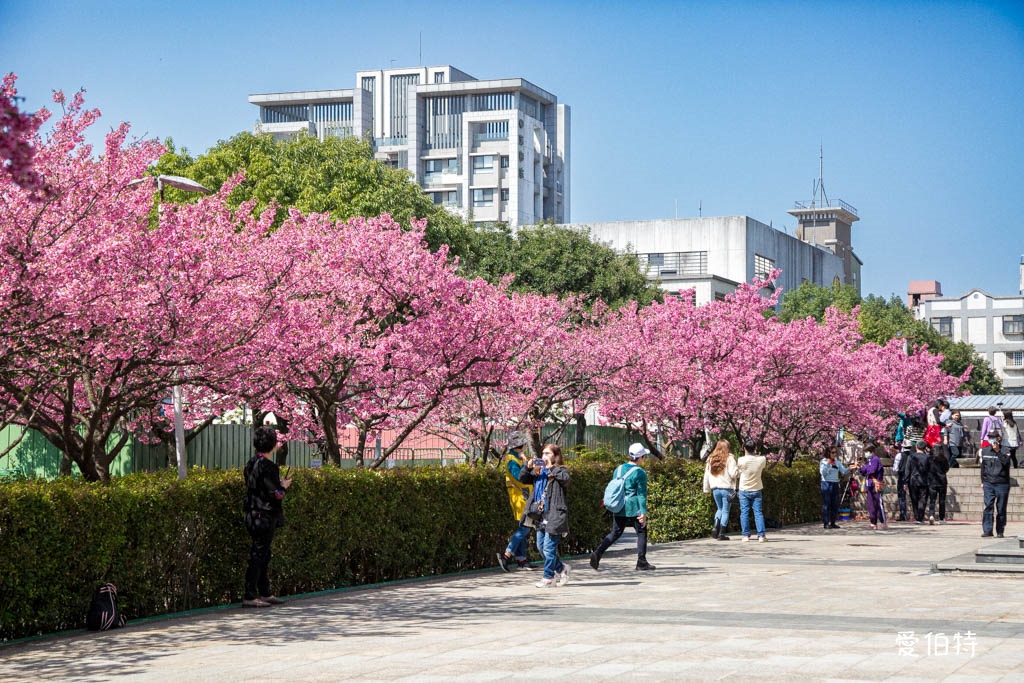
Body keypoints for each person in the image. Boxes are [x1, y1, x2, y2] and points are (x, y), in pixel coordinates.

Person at [242, 426, 292, 608]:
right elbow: (276, 494)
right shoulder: (269, 466)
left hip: (252, 514)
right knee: (259, 554)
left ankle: (265, 591)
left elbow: (258, 487)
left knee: (263, 553)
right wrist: (284, 485)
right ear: (273, 445)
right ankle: (249, 594)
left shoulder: (250, 463)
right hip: (265, 515)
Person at [590, 443, 656, 570]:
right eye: (644, 456)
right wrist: (643, 512)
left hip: (619, 505)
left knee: (615, 533)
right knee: (642, 532)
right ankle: (641, 561)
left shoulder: (618, 469)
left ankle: (598, 553)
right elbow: (641, 494)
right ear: (640, 457)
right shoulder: (640, 472)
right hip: (633, 506)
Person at [520, 444, 570, 587]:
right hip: (540, 514)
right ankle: (561, 568)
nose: (544, 456)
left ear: (556, 456)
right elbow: (523, 479)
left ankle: (548, 577)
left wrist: (551, 468)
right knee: (541, 546)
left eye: (548, 454)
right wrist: (528, 467)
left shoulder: (560, 470)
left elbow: (566, 480)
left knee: (549, 547)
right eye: (543, 454)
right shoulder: (539, 472)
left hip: (554, 514)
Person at [497, 432, 535, 571]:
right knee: (524, 528)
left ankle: (521, 560)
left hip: (523, 496)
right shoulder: (513, 460)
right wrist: (527, 464)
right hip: (520, 497)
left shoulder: (515, 457)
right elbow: (521, 477)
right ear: (520, 445)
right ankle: (506, 555)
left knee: (524, 527)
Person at [702, 439, 739, 541]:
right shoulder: (730, 458)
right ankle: (721, 533)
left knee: (719, 509)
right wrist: (739, 471)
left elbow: (706, 475)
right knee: (726, 511)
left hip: (715, 489)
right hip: (727, 489)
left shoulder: (711, 459)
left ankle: (715, 527)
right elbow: (733, 474)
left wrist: (706, 489)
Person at [736, 439, 768, 542]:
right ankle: (761, 535)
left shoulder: (740, 460)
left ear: (744, 448)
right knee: (758, 513)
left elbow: (738, 471)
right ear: (755, 448)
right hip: (757, 488)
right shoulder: (762, 459)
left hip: (744, 488)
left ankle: (745, 535)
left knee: (744, 512)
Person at [980, 433, 1011, 538]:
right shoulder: (985, 451)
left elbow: (1006, 463)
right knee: (988, 506)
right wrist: (982, 481)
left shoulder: (1005, 450)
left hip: (1002, 483)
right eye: (990, 437)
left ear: (999, 438)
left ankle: (1000, 530)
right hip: (988, 482)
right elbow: (983, 467)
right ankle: (987, 530)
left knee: (1001, 507)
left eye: (993, 437)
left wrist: (998, 451)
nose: (991, 439)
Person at [858, 445, 887, 530]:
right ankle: (873, 522)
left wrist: (864, 469)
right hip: (869, 484)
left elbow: (872, 470)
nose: (866, 454)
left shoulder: (875, 460)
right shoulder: (868, 461)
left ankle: (882, 521)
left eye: (867, 452)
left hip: (876, 484)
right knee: (871, 505)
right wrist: (861, 468)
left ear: (871, 451)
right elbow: (864, 472)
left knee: (878, 503)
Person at [819, 447, 848, 529]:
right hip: (826, 483)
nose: (834, 454)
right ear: (828, 453)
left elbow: (843, 471)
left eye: (835, 452)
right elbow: (823, 473)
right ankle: (826, 522)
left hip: (835, 483)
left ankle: (833, 522)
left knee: (834, 503)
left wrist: (850, 468)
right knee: (826, 503)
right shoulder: (823, 462)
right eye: (832, 452)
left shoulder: (837, 462)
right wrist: (828, 464)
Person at [906, 440, 932, 525]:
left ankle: (917, 517)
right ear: (925, 448)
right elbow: (930, 470)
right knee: (923, 499)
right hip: (924, 480)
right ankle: (920, 517)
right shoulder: (927, 457)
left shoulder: (911, 457)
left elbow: (907, 470)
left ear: (916, 447)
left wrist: (905, 482)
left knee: (914, 499)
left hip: (913, 480)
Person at [926, 441, 950, 524]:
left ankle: (931, 515)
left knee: (932, 500)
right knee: (942, 500)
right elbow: (947, 469)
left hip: (932, 481)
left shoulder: (930, 458)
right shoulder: (944, 459)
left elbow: (926, 468)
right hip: (942, 481)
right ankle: (941, 518)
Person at [893, 443, 909, 521]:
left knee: (901, 497)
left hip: (902, 477)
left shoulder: (899, 455)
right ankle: (918, 515)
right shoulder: (913, 455)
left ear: (902, 447)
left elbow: (895, 468)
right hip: (913, 477)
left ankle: (903, 515)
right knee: (916, 496)